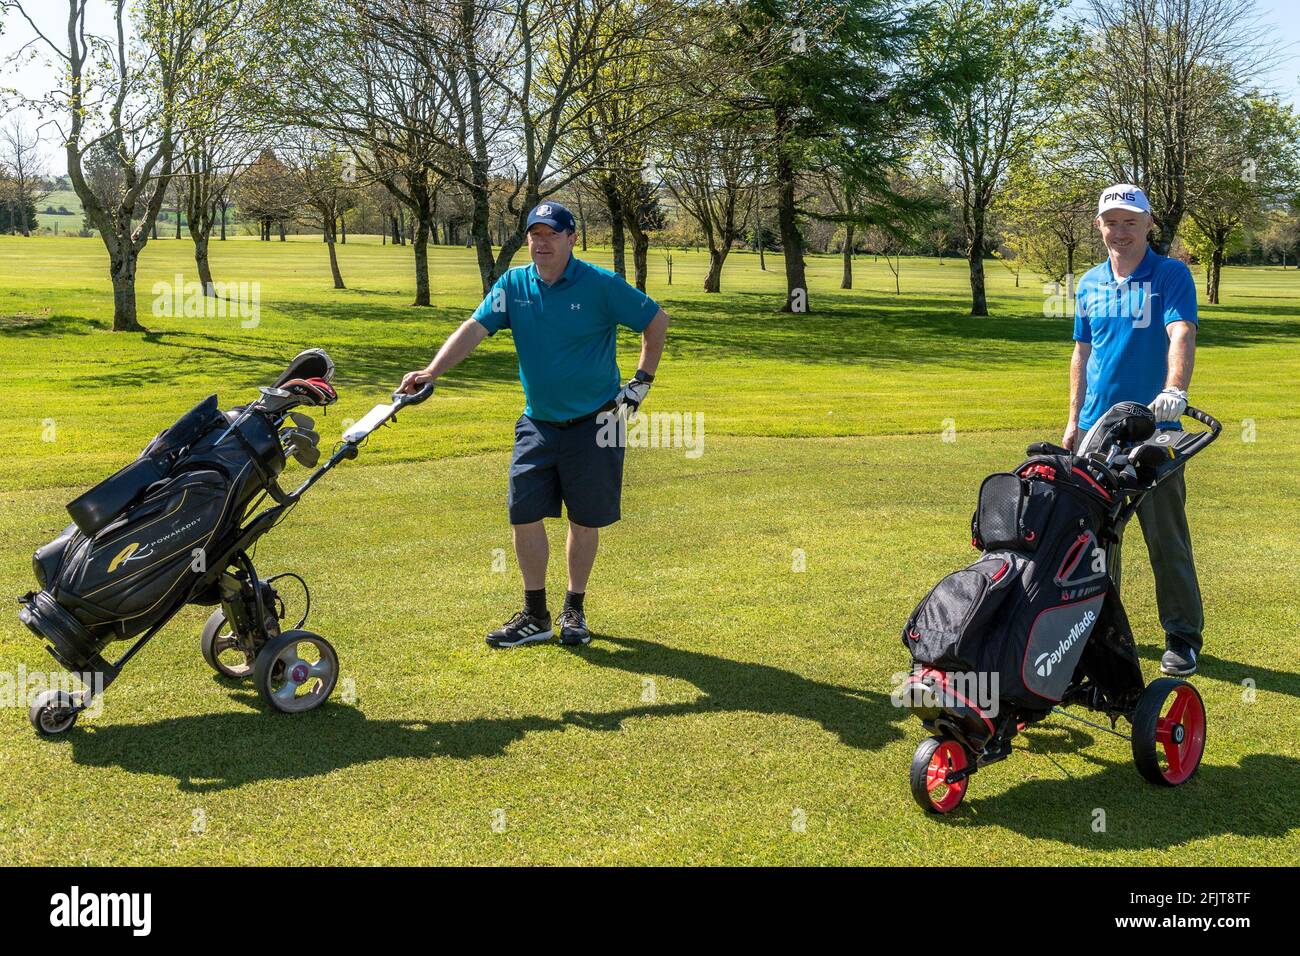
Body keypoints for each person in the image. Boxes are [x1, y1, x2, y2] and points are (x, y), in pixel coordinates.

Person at [399, 201, 670, 648]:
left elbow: (656, 320)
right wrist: (432, 371)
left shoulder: (601, 284)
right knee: (523, 514)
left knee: (584, 519)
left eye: (552, 234)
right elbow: (474, 328)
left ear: (572, 239)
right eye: (535, 234)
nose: (542, 243)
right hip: (537, 422)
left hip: (596, 421)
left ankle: (574, 609)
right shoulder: (513, 284)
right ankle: (535, 615)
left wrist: (640, 383)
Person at [1063, 184, 1203, 676]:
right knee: (1096, 540)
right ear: (1099, 226)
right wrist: (1073, 420)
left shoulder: (1170, 274)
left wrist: (1175, 388)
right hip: (1097, 431)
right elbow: (1082, 352)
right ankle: (1102, 634)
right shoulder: (1089, 282)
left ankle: (1183, 637)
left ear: (1148, 225)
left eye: (1130, 221)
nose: (1119, 231)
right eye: (1111, 222)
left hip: (1155, 429)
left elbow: (1181, 331)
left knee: (1166, 539)